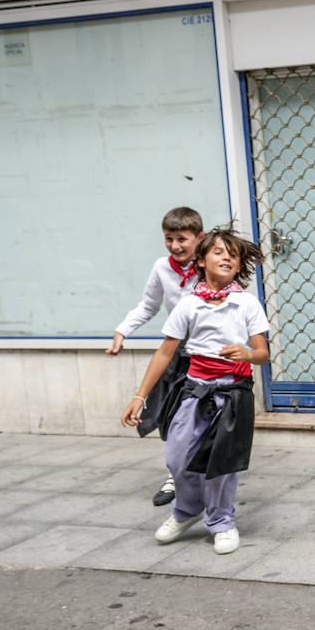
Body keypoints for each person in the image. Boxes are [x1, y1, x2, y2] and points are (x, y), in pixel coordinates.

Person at [122, 227, 268, 556]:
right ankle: (187, 511)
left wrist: (247, 354)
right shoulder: (189, 305)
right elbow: (164, 353)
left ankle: (222, 521)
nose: (227, 257)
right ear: (201, 261)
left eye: (233, 254)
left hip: (232, 394)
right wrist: (139, 396)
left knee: (221, 464)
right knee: (177, 457)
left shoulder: (245, 303)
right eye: (218, 252)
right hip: (195, 392)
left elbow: (262, 352)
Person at [107, 206, 204, 507]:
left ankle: (205, 474)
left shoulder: (209, 265)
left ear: (199, 238)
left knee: (201, 418)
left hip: (207, 353)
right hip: (176, 352)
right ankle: (175, 475)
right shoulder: (162, 267)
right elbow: (148, 305)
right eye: (169, 239)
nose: (175, 246)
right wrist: (123, 330)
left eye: (182, 239)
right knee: (171, 417)